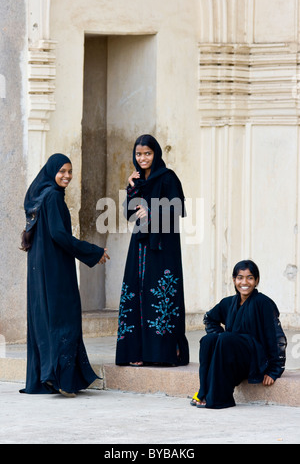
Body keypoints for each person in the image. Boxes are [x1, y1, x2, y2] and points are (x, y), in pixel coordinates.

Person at [20, 153, 110, 397]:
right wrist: (92, 252)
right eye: (62, 171)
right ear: (51, 171)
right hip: (56, 269)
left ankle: (46, 378)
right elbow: (60, 235)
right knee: (64, 318)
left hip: (41, 270)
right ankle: (61, 380)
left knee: (46, 320)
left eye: (70, 172)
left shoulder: (41, 196)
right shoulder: (52, 198)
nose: (67, 176)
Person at [115, 134, 189, 366]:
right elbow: (129, 213)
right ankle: (136, 353)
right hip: (140, 245)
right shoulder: (137, 180)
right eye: (139, 154)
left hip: (162, 246)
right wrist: (131, 188)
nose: (143, 158)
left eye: (147, 153)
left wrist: (153, 212)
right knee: (137, 291)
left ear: (155, 154)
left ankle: (162, 353)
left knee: (160, 294)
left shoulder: (168, 178)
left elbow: (178, 209)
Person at [190, 260, 287, 409]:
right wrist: (218, 340)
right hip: (229, 357)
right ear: (234, 280)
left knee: (226, 338)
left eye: (250, 277)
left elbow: (275, 336)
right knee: (209, 340)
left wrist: (274, 370)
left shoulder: (263, 303)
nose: (244, 282)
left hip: (254, 359)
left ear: (256, 281)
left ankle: (220, 398)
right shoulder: (229, 302)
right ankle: (204, 391)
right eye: (240, 277)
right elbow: (209, 318)